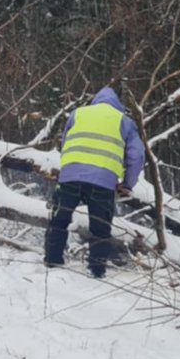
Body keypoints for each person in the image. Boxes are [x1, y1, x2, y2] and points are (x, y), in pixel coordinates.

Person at [45, 86, 145, 277]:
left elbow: (66, 142)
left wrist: (71, 167)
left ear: (96, 100)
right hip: (103, 182)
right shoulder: (124, 121)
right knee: (100, 229)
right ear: (118, 104)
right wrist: (127, 184)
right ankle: (97, 270)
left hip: (70, 177)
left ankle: (52, 261)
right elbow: (137, 156)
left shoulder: (78, 113)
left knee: (59, 221)